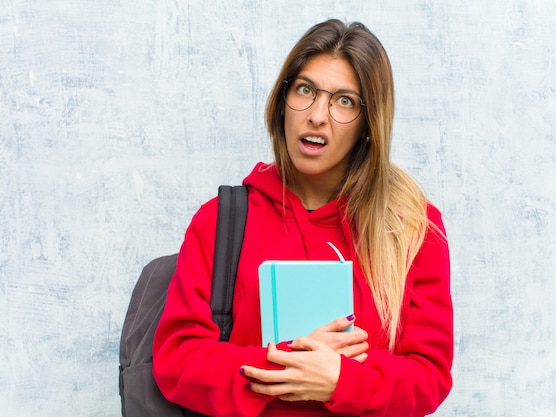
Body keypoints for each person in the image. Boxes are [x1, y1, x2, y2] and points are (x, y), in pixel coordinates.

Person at [153, 19, 453, 417]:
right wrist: (288, 363)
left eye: (344, 100)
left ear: (368, 124)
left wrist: (342, 382)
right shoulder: (220, 222)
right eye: (305, 90)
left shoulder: (413, 226)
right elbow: (176, 361)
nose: (317, 115)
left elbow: (429, 377)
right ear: (282, 103)